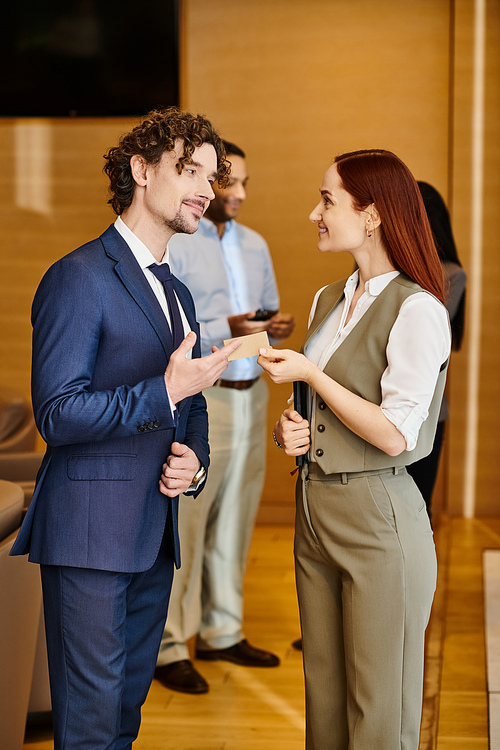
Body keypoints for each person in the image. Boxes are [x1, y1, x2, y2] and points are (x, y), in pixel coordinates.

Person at [10, 107, 241, 750]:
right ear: (140, 169)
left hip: (151, 535)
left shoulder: (177, 293)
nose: (206, 188)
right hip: (88, 536)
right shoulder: (78, 277)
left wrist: (193, 462)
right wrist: (163, 389)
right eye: (187, 170)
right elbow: (57, 412)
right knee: (87, 729)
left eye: (211, 175)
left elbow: (189, 408)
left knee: (123, 722)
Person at [258, 149, 451, 750]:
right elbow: (319, 417)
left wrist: (313, 379)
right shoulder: (327, 300)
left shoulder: (418, 309)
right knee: (326, 698)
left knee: (379, 711)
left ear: (371, 216)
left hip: (378, 519)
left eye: (327, 200)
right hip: (313, 513)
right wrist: (291, 429)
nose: (313, 212)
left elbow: (397, 433)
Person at [154, 141, 295, 694]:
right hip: (201, 397)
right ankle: (168, 646)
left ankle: (222, 631)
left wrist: (269, 327)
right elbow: (173, 330)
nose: (234, 193)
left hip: (250, 391)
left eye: (241, 183)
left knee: (236, 517)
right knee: (188, 521)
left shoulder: (255, 244)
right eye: (224, 181)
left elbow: (262, 311)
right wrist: (225, 328)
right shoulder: (178, 242)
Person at [407, 181, 466, 521]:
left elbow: (419, 330)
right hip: (375, 408)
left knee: (417, 510)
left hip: (427, 411)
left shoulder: (451, 275)